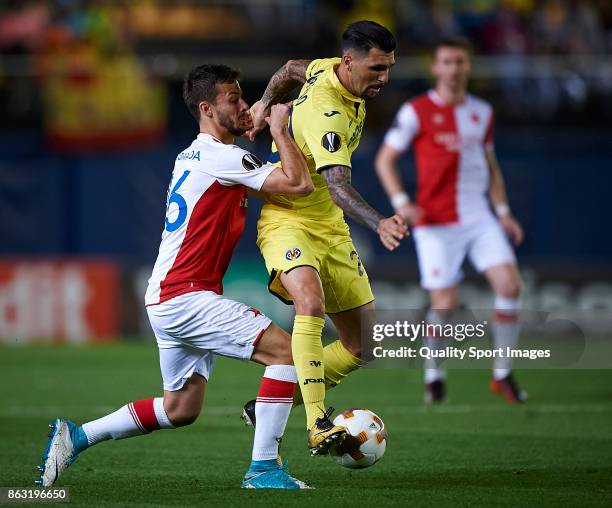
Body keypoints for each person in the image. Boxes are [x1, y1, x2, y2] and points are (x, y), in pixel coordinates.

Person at [37, 64, 315, 490]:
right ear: (206, 108)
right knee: (286, 353)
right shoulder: (223, 157)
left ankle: (76, 437)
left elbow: (271, 184)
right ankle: (263, 469)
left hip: (168, 296)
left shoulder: (199, 155)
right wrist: (280, 128)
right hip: (186, 296)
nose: (243, 106)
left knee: (180, 408)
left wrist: (256, 127)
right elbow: (297, 185)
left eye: (244, 98)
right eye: (233, 100)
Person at [243, 20, 408, 454]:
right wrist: (381, 223)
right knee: (310, 302)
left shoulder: (329, 68)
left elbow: (291, 68)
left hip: (330, 226)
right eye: (376, 69)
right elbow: (337, 185)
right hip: (288, 219)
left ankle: (270, 405)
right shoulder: (327, 110)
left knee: (362, 346)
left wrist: (263, 103)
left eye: (388, 67)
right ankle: (318, 422)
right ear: (351, 62)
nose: (384, 78)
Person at [375, 38, 526, 404]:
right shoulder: (417, 110)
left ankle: (502, 373)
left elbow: (490, 167)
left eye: (460, 61)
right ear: (436, 68)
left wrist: (503, 212)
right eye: (447, 62)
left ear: (468, 66)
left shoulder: (482, 112)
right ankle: (434, 375)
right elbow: (384, 159)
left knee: (509, 286)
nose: (454, 68)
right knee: (444, 301)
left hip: (478, 215)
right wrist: (402, 203)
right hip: (435, 220)